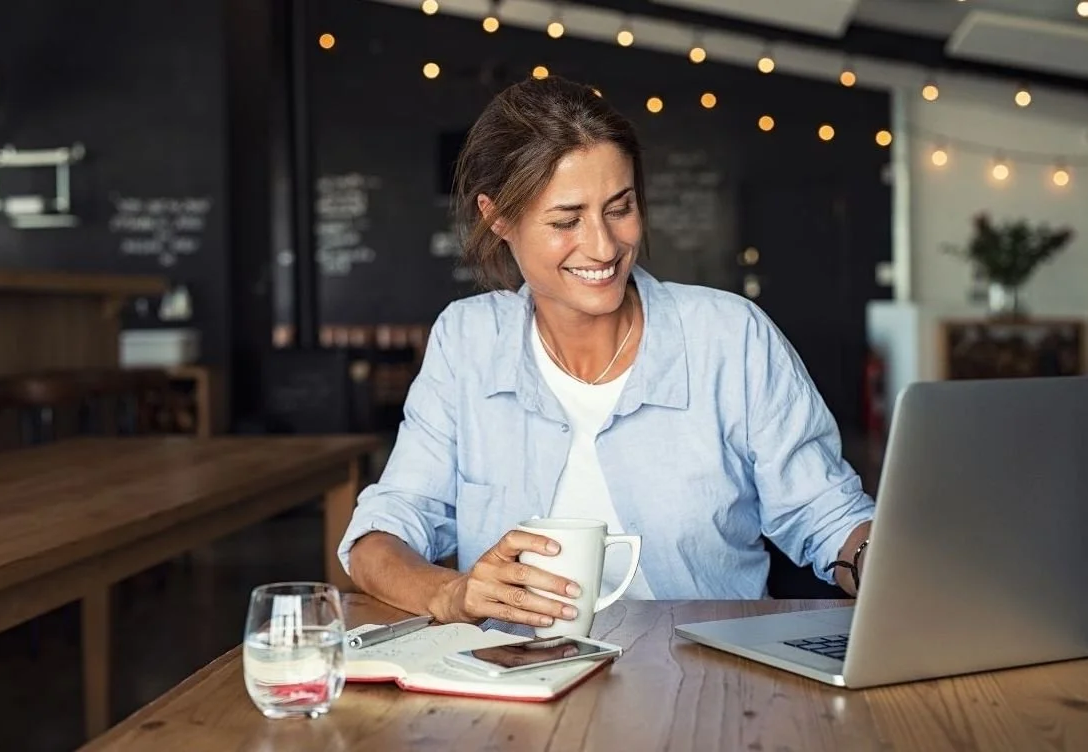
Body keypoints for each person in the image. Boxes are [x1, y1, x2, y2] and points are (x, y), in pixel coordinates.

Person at [340, 76, 875, 631]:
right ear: (498, 218)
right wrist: (451, 593)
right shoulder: (468, 342)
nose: (602, 246)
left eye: (619, 208)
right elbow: (380, 538)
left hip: (706, 688)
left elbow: (828, 514)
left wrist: (884, 563)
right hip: (512, 693)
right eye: (566, 221)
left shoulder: (729, 336)